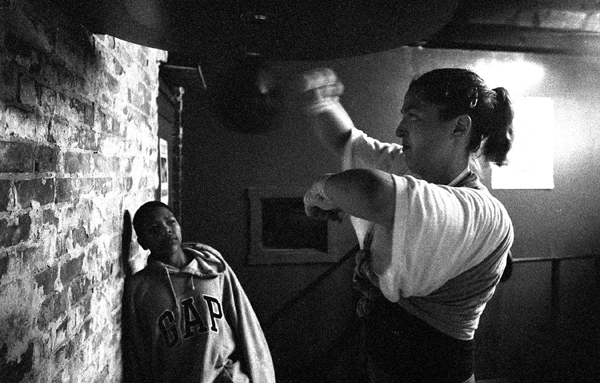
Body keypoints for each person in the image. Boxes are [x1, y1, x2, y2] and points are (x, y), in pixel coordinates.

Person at [297, 68, 515, 383]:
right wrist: (322, 101)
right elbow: (348, 141)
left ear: (459, 127)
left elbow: (370, 192)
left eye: (413, 117)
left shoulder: (482, 212)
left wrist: (321, 189)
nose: (400, 129)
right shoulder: (406, 167)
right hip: (383, 367)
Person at [122, 201, 276, 383]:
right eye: (154, 228)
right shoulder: (139, 289)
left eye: (171, 222)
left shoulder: (212, 267)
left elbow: (245, 323)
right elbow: (138, 357)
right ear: (143, 242)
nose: (167, 230)